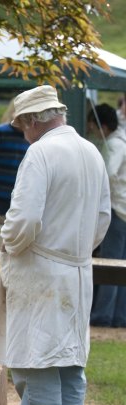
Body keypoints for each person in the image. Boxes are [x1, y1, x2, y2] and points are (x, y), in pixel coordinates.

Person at [0, 86, 111, 405]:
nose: (23, 133)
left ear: (34, 121)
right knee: (70, 366)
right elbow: (102, 218)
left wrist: (10, 243)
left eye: (23, 125)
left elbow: (22, 219)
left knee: (34, 364)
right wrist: (75, 251)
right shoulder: (91, 151)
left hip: (40, 272)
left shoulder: (40, 153)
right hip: (76, 269)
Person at [88, 104, 126, 328]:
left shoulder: (114, 144)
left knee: (111, 265)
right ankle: (119, 316)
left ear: (102, 125)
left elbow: (109, 172)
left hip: (116, 209)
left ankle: (103, 315)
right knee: (121, 265)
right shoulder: (122, 141)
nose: (91, 130)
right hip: (123, 208)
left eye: (92, 126)